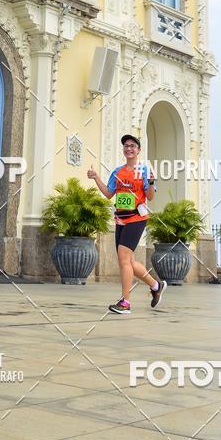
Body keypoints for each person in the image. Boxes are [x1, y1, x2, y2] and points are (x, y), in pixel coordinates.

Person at [87, 134, 166, 314]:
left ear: (139, 150)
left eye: (132, 146)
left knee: (123, 258)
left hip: (137, 219)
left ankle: (125, 303)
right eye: (126, 146)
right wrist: (96, 177)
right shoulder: (118, 172)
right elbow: (108, 193)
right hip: (120, 219)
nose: (128, 148)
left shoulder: (144, 171)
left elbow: (151, 196)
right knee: (129, 261)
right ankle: (156, 286)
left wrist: (152, 182)